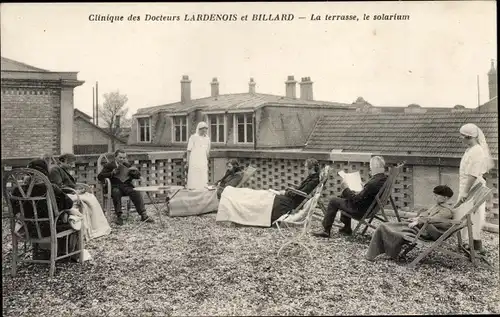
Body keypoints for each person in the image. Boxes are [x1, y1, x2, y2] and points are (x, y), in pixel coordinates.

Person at [216, 158, 320, 227]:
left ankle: (236, 206)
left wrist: (285, 192)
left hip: (288, 202)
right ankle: (233, 199)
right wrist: (285, 191)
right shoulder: (311, 177)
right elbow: (300, 191)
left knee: (259, 199)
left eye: (306, 167)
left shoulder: (314, 180)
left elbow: (301, 194)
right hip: (287, 198)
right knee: (258, 194)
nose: (305, 168)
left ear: (311, 168)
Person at [12, 159, 82, 260]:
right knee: (71, 219)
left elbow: (15, 210)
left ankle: (39, 252)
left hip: (28, 229)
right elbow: (69, 204)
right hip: (49, 229)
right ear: (45, 173)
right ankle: (64, 254)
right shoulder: (51, 188)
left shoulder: (17, 190)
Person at [365, 185, 454, 261]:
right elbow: (427, 213)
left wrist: (417, 221)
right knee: (386, 226)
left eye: (437, 196)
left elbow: (431, 220)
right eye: (434, 195)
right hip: (422, 227)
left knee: (386, 227)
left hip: (425, 232)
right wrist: (417, 218)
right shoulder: (438, 206)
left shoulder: (446, 211)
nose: (434, 197)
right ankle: (380, 252)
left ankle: (373, 254)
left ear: (445, 198)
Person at [312, 156, 388, 238]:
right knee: (343, 196)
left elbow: (356, 200)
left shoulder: (373, 183)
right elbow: (367, 194)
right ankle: (346, 228)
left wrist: (346, 188)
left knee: (333, 201)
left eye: (371, 167)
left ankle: (326, 230)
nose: (370, 169)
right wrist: (364, 188)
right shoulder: (383, 179)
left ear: (375, 167)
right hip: (369, 208)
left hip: (360, 211)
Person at [50, 153, 111, 240]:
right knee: (89, 199)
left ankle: (97, 227)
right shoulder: (55, 170)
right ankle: (94, 229)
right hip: (65, 196)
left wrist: (79, 188)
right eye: (69, 163)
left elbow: (70, 184)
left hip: (71, 192)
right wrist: (76, 191)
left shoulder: (63, 169)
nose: (71, 166)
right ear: (62, 162)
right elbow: (59, 187)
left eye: (72, 163)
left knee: (91, 197)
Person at [454, 123, 494, 254]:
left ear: (469, 137)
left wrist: (465, 192)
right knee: (467, 214)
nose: (461, 138)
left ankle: (474, 244)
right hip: (467, 185)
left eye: (463, 136)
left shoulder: (477, 151)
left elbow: (472, 174)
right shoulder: (470, 149)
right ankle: (469, 242)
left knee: (472, 215)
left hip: (472, 186)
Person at [97, 149, 154, 225]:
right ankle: (119, 216)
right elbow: (100, 176)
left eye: (124, 158)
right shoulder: (109, 165)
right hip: (114, 186)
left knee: (135, 192)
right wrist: (112, 173)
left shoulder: (127, 165)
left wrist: (135, 173)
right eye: (120, 157)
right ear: (115, 157)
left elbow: (136, 176)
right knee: (116, 192)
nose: (122, 160)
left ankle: (143, 215)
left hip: (126, 186)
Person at [186, 122, 211, 190]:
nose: (205, 131)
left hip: (203, 160)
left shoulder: (207, 139)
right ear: (199, 129)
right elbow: (189, 150)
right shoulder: (193, 137)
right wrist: (187, 162)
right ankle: (194, 191)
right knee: (194, 176)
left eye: (206, 129)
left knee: (203, 176)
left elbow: (207, 151)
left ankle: (202, 190)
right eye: (203, 129)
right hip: (194, 160)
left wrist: (206, 159)